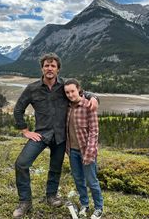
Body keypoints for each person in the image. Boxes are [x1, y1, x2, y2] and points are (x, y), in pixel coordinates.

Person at [13, 53, 98, 218]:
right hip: (41, 134)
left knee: (55, 168)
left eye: (53, 66)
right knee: (21, 164)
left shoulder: (64, 86)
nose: (49, 68)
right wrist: (25, 130)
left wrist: (94, 97)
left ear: (58, 69)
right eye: (46, 65)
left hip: (60, 136)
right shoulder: (32, 88)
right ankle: (25, 202)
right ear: (42, 68)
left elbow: (82, 93)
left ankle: (51, 196)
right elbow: (18, 109)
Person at [64, 79, 103, 219]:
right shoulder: (67, 107)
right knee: (78, 180)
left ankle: (99, 207)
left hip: (87, 151)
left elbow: (94, 132)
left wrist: (89, 153)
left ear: (79, 90)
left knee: (92, 181)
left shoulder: (89, 106)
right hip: (72, 151)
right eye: (67, 92)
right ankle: (84, 205)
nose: (70, 94)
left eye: (72, 91)